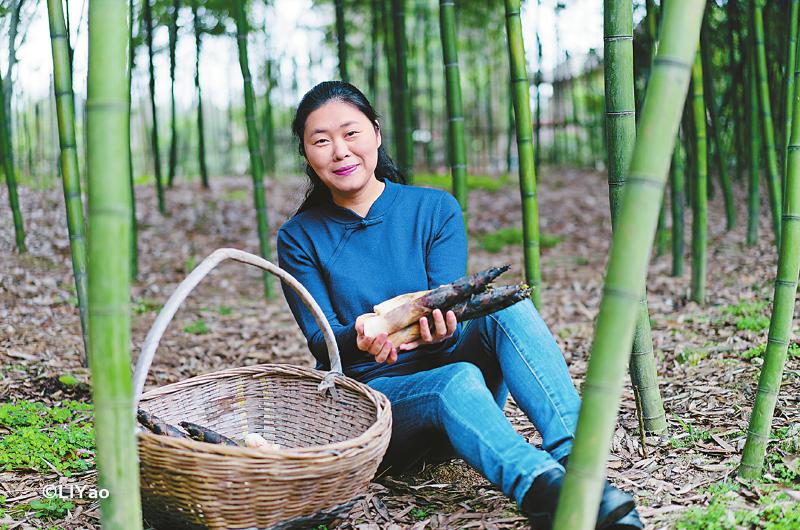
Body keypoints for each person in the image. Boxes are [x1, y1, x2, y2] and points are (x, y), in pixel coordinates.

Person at [276, 80, 642, 530]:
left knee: (504, 309)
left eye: (350, 133)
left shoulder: (434, 209)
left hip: (463, 398)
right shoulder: (299, 236)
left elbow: (447, 307)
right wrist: (362, 336)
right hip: (380, 404)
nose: (340, 151)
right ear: (307, 154)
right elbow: (322, 340)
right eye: (321, 140)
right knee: (456, 378)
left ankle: (581, 468)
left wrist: (443, 328)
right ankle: (545, 493)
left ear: (375, 132)